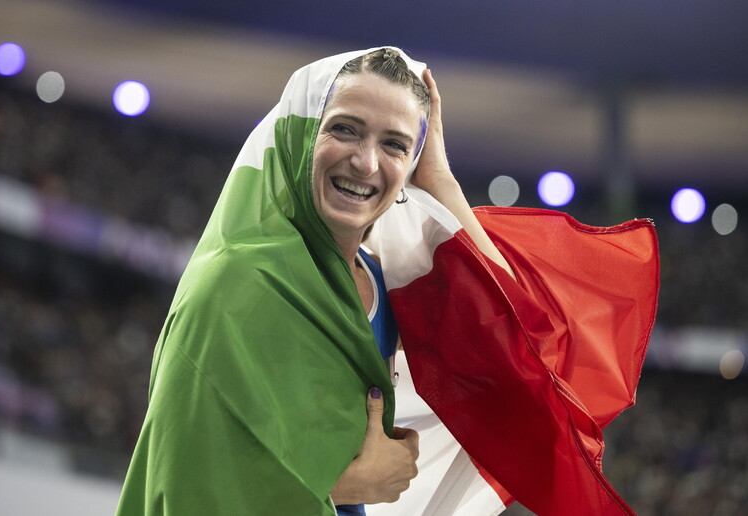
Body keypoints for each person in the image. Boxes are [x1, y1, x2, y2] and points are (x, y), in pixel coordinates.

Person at [117, 47, 659, 516]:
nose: (365, 161)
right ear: (300, 135)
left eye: (395, 145)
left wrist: (441, 178)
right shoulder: (236, 282)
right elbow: (181, 469)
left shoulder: (384, 283)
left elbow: (525, 344)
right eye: (344, 129)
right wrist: (345, 481)